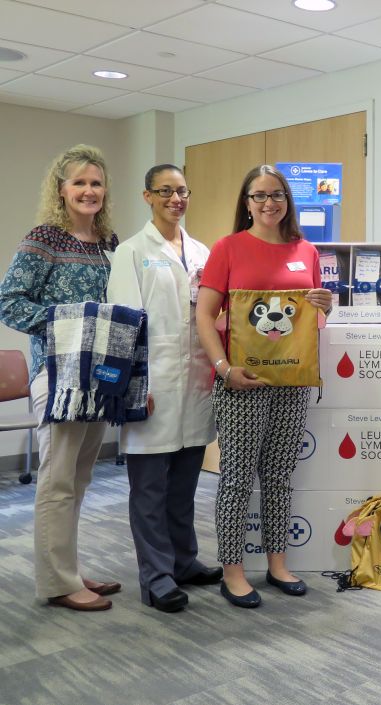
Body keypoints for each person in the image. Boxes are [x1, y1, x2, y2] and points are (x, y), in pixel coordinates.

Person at [195, 164, 332, 609]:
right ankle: (232, 569)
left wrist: (325, 304)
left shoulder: (306, 251)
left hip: (291, 382)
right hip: (241, 382)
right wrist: (223, 367)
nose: (269, 202)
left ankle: (277, 563)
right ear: (246, 202)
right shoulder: (228, 248)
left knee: (278, 476)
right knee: (236, 477)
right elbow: (203, 315)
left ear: (287, 200)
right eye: (259, 195)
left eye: (277, 194)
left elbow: (313, 316)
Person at [0, 145, 121, 611]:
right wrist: (69, 320)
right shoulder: (44, 239)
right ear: (61, 189)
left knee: (82, 477)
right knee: (57, 480)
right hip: (57, 375)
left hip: (101, 374)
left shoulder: (109, 242)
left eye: (96, 182)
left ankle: (68, 568)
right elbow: (10, 302)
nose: (88, 191)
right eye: (79, 183)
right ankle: (56, 582)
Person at [105, 164, 222, 614]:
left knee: (184, 487)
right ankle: (155, 578)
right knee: (150, 490)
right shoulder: (132, 252)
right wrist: (134, 386)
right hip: (151, 385)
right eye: (166, 191)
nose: (177, 199)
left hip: (194, 385)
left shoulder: (201, 251)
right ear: (147, 196)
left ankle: (183, 561)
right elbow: (122, 323)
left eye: (183, 191)